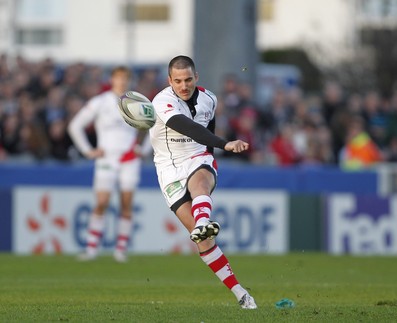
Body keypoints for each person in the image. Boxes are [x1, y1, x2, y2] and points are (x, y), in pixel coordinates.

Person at [149, 55, 257, 309]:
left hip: (198, 156)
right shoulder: (162, 100)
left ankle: (203, 221)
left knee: (200, 183)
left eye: (188, 80)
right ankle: (241, 293)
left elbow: (204, 134)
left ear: (196, 77)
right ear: (169, 81)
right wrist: (225, 143)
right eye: (177, 81)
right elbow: (184, 125)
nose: (183, 86)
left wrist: (212, 154)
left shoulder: (209, 98)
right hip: (167, 168)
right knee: (204, 241)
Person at [68, 66, 145, 262]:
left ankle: (120, 250)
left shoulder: (136, 102)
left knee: (126, 203)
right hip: (106, 158)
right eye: (118, 78)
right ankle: (92, 248)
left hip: (129, 158)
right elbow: (75, 126)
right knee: (102, 202)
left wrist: (143, 150)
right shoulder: (100, 102)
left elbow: (155, 127)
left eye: (125, 78)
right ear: (112, 80)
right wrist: (87, 150)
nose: (122, 82)